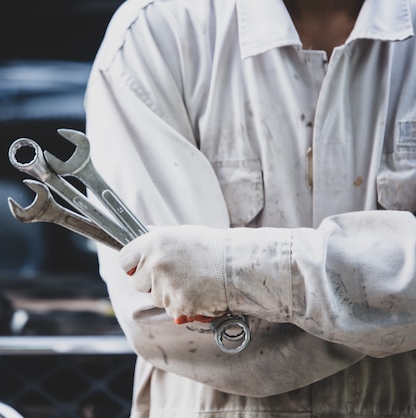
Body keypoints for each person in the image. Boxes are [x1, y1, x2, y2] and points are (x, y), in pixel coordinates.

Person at [83, 0, 416, 416]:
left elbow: (185, 289)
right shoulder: (158, 31)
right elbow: (159, 316)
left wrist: (223, 271)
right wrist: (386, 311)